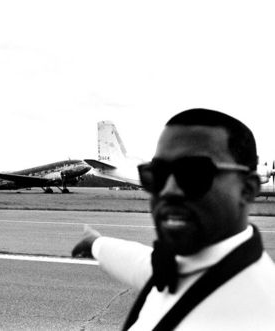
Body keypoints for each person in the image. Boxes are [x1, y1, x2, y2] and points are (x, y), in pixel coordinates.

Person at [72, 108, 275, 330]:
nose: (168, 190)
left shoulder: (262, 314)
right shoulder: (180, 264)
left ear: (248, 189)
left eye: (195, 173)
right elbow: (139, 263)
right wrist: (96, 244)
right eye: (157, 174)